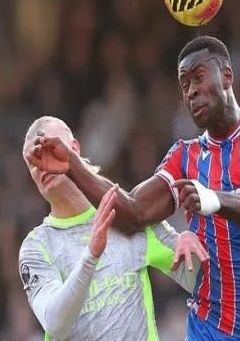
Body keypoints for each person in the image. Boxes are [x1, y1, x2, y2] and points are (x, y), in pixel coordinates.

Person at [27, 36, 240, 340]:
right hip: (207, 327)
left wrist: (213, 199)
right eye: (184, 84)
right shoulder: (184, 155)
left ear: (227, 76)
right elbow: (132, 213)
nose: (191, 90)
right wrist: (73, 165)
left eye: (198, 77)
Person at [19, 116, 208, 341]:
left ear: (74, 148)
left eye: (49, 148)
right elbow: (55, 323)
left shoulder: (126, 217)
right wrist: (90, 256)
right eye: (33, 161)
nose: (42, 164)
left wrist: (192, 241)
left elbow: (204, 284)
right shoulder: (36, 246)